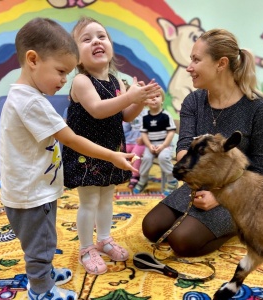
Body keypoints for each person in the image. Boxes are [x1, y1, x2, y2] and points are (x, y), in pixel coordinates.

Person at [0, 17, 139, 300]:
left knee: (45, 238)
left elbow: (121, 114)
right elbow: (72, 138)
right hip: (33, 192)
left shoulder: (28, 97)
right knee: (41, 243)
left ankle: (45, 273)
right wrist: (113, 155)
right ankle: (41, 290)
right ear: (33, 60)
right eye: (61, 71)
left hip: (37, 186)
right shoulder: (33, 102)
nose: (64, 80)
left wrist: (137, 99)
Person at [142, 29, 263, 257]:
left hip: (238, 195)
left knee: (182, 242)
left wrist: (220, 196)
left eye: (196, 59)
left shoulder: (257, 109)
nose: (189, 67)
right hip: (197, 188)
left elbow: (262, 171)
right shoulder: (193, 101)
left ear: (221, 64)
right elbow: (183, 147)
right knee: (151, 227)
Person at [62, 16, 161, 275]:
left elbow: (125, 115)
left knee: (107, 198)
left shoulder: (117, 82)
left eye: (101, 36)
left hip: (112, 151)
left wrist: (140, 100)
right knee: (89, 201)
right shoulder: (81, 81)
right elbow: (97, 109)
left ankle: (104, 238)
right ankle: (86, 247)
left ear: (110, 47)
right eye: (86, 39)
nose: (96, 41)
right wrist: (130, 96)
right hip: (87, 154)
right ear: (76, 57)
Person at [133, 88, 178, 196]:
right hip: (151, 145)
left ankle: (172, 181)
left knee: (163, 157)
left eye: (157, 96)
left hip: (165, 145)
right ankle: (142, 180)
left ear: (162, 100)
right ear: (146, 101)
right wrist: (149, 145)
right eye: (150, 97)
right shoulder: (145, 117)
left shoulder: (166, 115)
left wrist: (163, 145)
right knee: (146, 158)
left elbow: (171, 132)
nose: (154, 99)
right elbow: (144, 134)